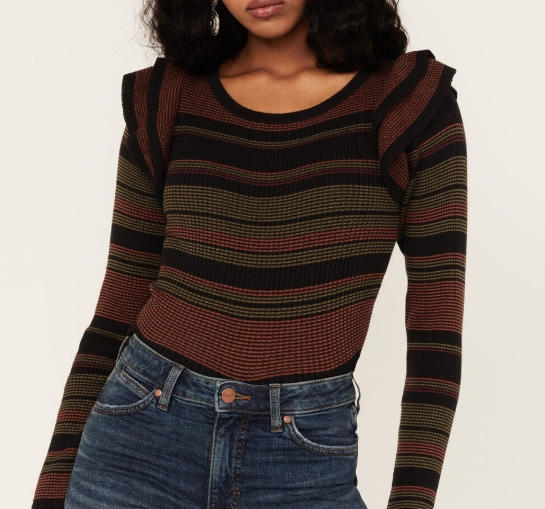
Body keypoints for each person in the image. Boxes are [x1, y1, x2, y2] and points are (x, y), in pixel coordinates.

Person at [32, 1, 467, 508]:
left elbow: (435, 328)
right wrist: (52, 489)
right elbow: (118, 305)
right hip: (138, 439)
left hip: (304, 457)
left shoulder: (407, 104)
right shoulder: (168, 99)